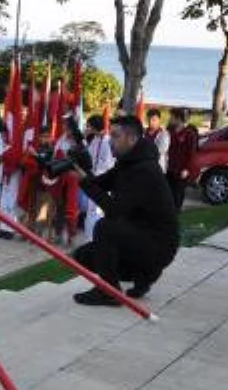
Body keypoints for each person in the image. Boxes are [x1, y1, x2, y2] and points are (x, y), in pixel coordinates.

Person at [70, 114, 180, 304]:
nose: (110, 141)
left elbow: (114, 210)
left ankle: (109, 292)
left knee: (105, 227)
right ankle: (141, 276)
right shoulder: (127, 163)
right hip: (142, 237)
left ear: (132, 139)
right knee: (84, 255)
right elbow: (99, 184)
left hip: (159, 246)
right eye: (110, 135)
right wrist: (81, 171)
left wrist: (84, 183)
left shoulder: (144, 170)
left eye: (115, 136)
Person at [165, 108, 200, 208]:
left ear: (178, 119)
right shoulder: (170, 131)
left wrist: (187, 169)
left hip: (181, 170)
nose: (170, 119)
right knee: (168, 193)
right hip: (169, 168)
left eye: (172, 117)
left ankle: (176, 214)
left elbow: (192, 154)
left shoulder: (189, 134)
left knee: (178, 194)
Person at [145, 108, 169, 173]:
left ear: (159, 120)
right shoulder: (144, 132)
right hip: (144, 167)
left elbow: (159, 150)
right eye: (148, 119)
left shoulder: (164, 134)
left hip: (157, 168)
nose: (150, 122)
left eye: (153, 120)